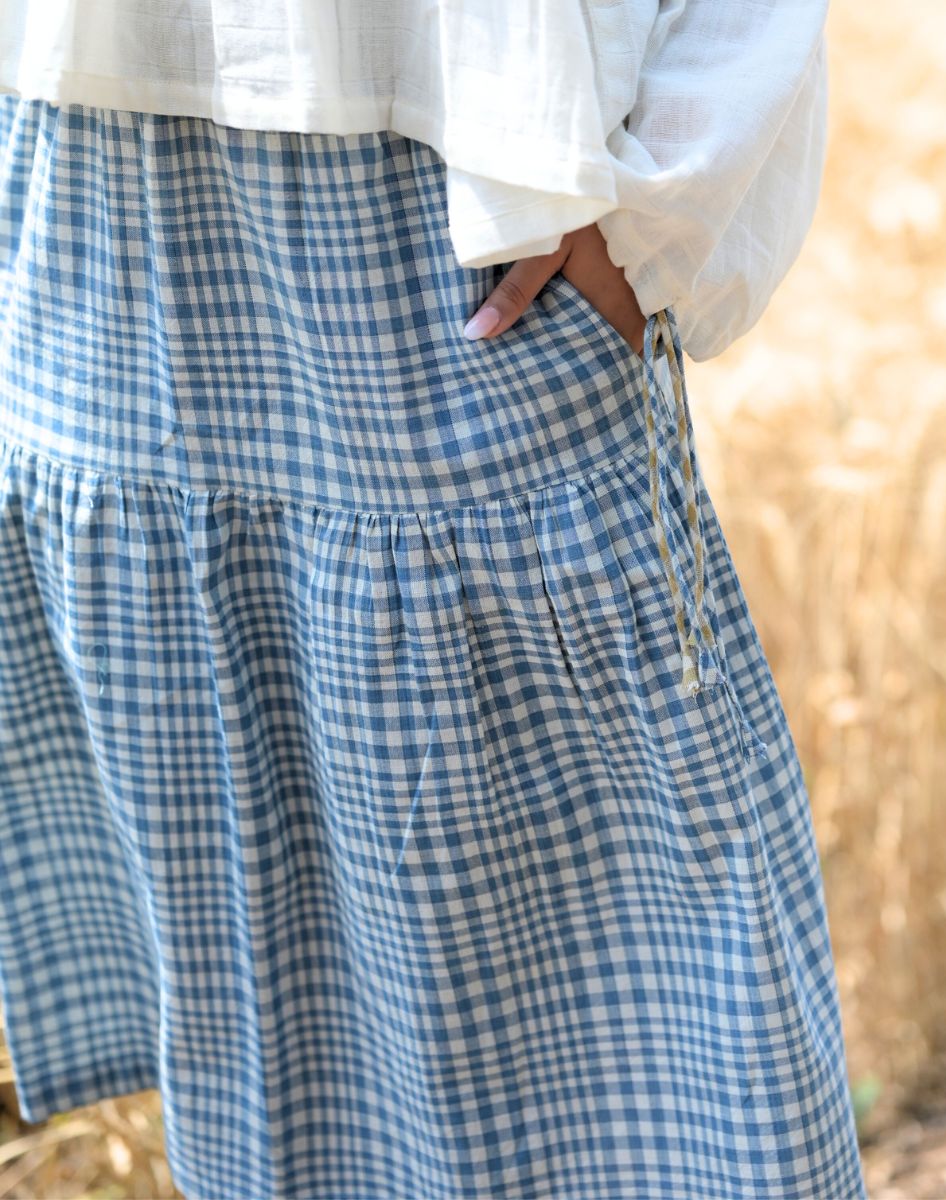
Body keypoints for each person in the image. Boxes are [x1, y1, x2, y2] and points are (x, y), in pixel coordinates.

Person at [0, 3, 867, 1197]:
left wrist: (665, 196)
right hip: (98, 180)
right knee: (267, 1040)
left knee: (634, 1040)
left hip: (456, 198)